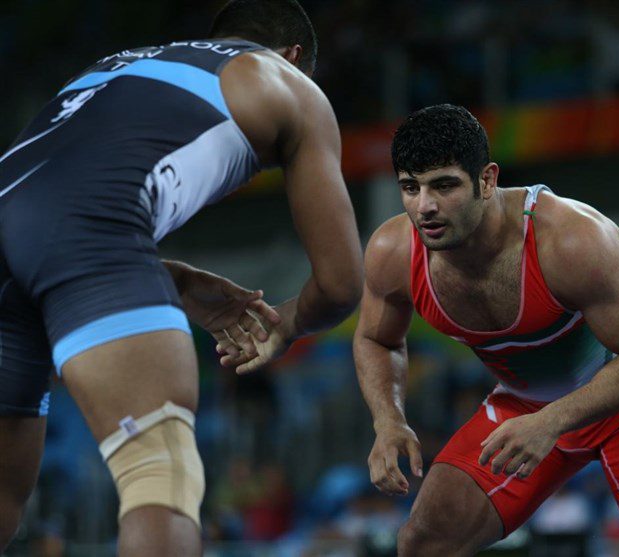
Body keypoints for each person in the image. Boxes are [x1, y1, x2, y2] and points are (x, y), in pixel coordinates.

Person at [0, 1, 363, 554]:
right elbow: (340, 287)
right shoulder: (288, 83)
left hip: (25, 231)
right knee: (159, 473)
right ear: (294, 57)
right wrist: (283, 323)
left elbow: (43, 204)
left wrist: (165, 277)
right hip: (82, 236)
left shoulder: (115, 64)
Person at [352, 104, 619, 556]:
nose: (424, 207)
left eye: (444, 185)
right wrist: (388, 420)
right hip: (521, 408)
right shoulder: (393, 252)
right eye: (410, 188)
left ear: (487, 180)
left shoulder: (571, 239)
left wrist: (552, 421)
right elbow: (376, 338)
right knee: (423, 544)